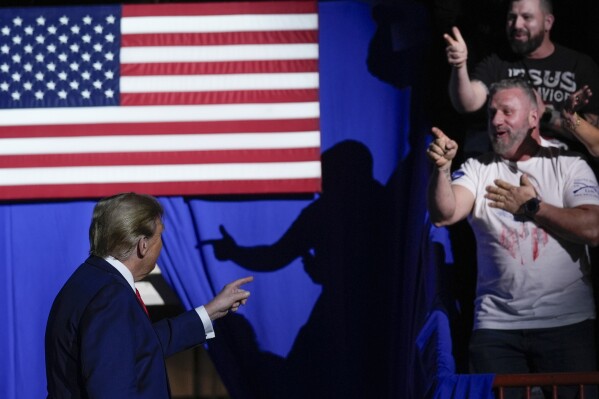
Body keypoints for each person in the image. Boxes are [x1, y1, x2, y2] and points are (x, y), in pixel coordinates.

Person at [427, 78, 599, 399]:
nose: (496, 121)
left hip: (567, 324)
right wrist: (442, 170)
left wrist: (533, 208)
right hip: (496, 329)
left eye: (507, 111)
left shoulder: (569, 164)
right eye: (492, 113)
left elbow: (593, 228)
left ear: (534, 118)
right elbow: (445, 213)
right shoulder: (478, 168)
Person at [45, 192, 253, 399]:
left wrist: (210, 311)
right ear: (143, 245)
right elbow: (113, 390)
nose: (161, 244)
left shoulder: (87, 278)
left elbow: (140, 346)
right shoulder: (112, 298)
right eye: (160, 235)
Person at [444, 0, 599, 150]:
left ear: (548, 22)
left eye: (527, 17)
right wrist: (459, 66)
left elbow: (594, 138)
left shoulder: (579, 65)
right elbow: (467, 103)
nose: (517, 25)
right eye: (512, 17)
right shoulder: (498, 62)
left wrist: (546, 114)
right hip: (508, 166)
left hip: (564, 165)